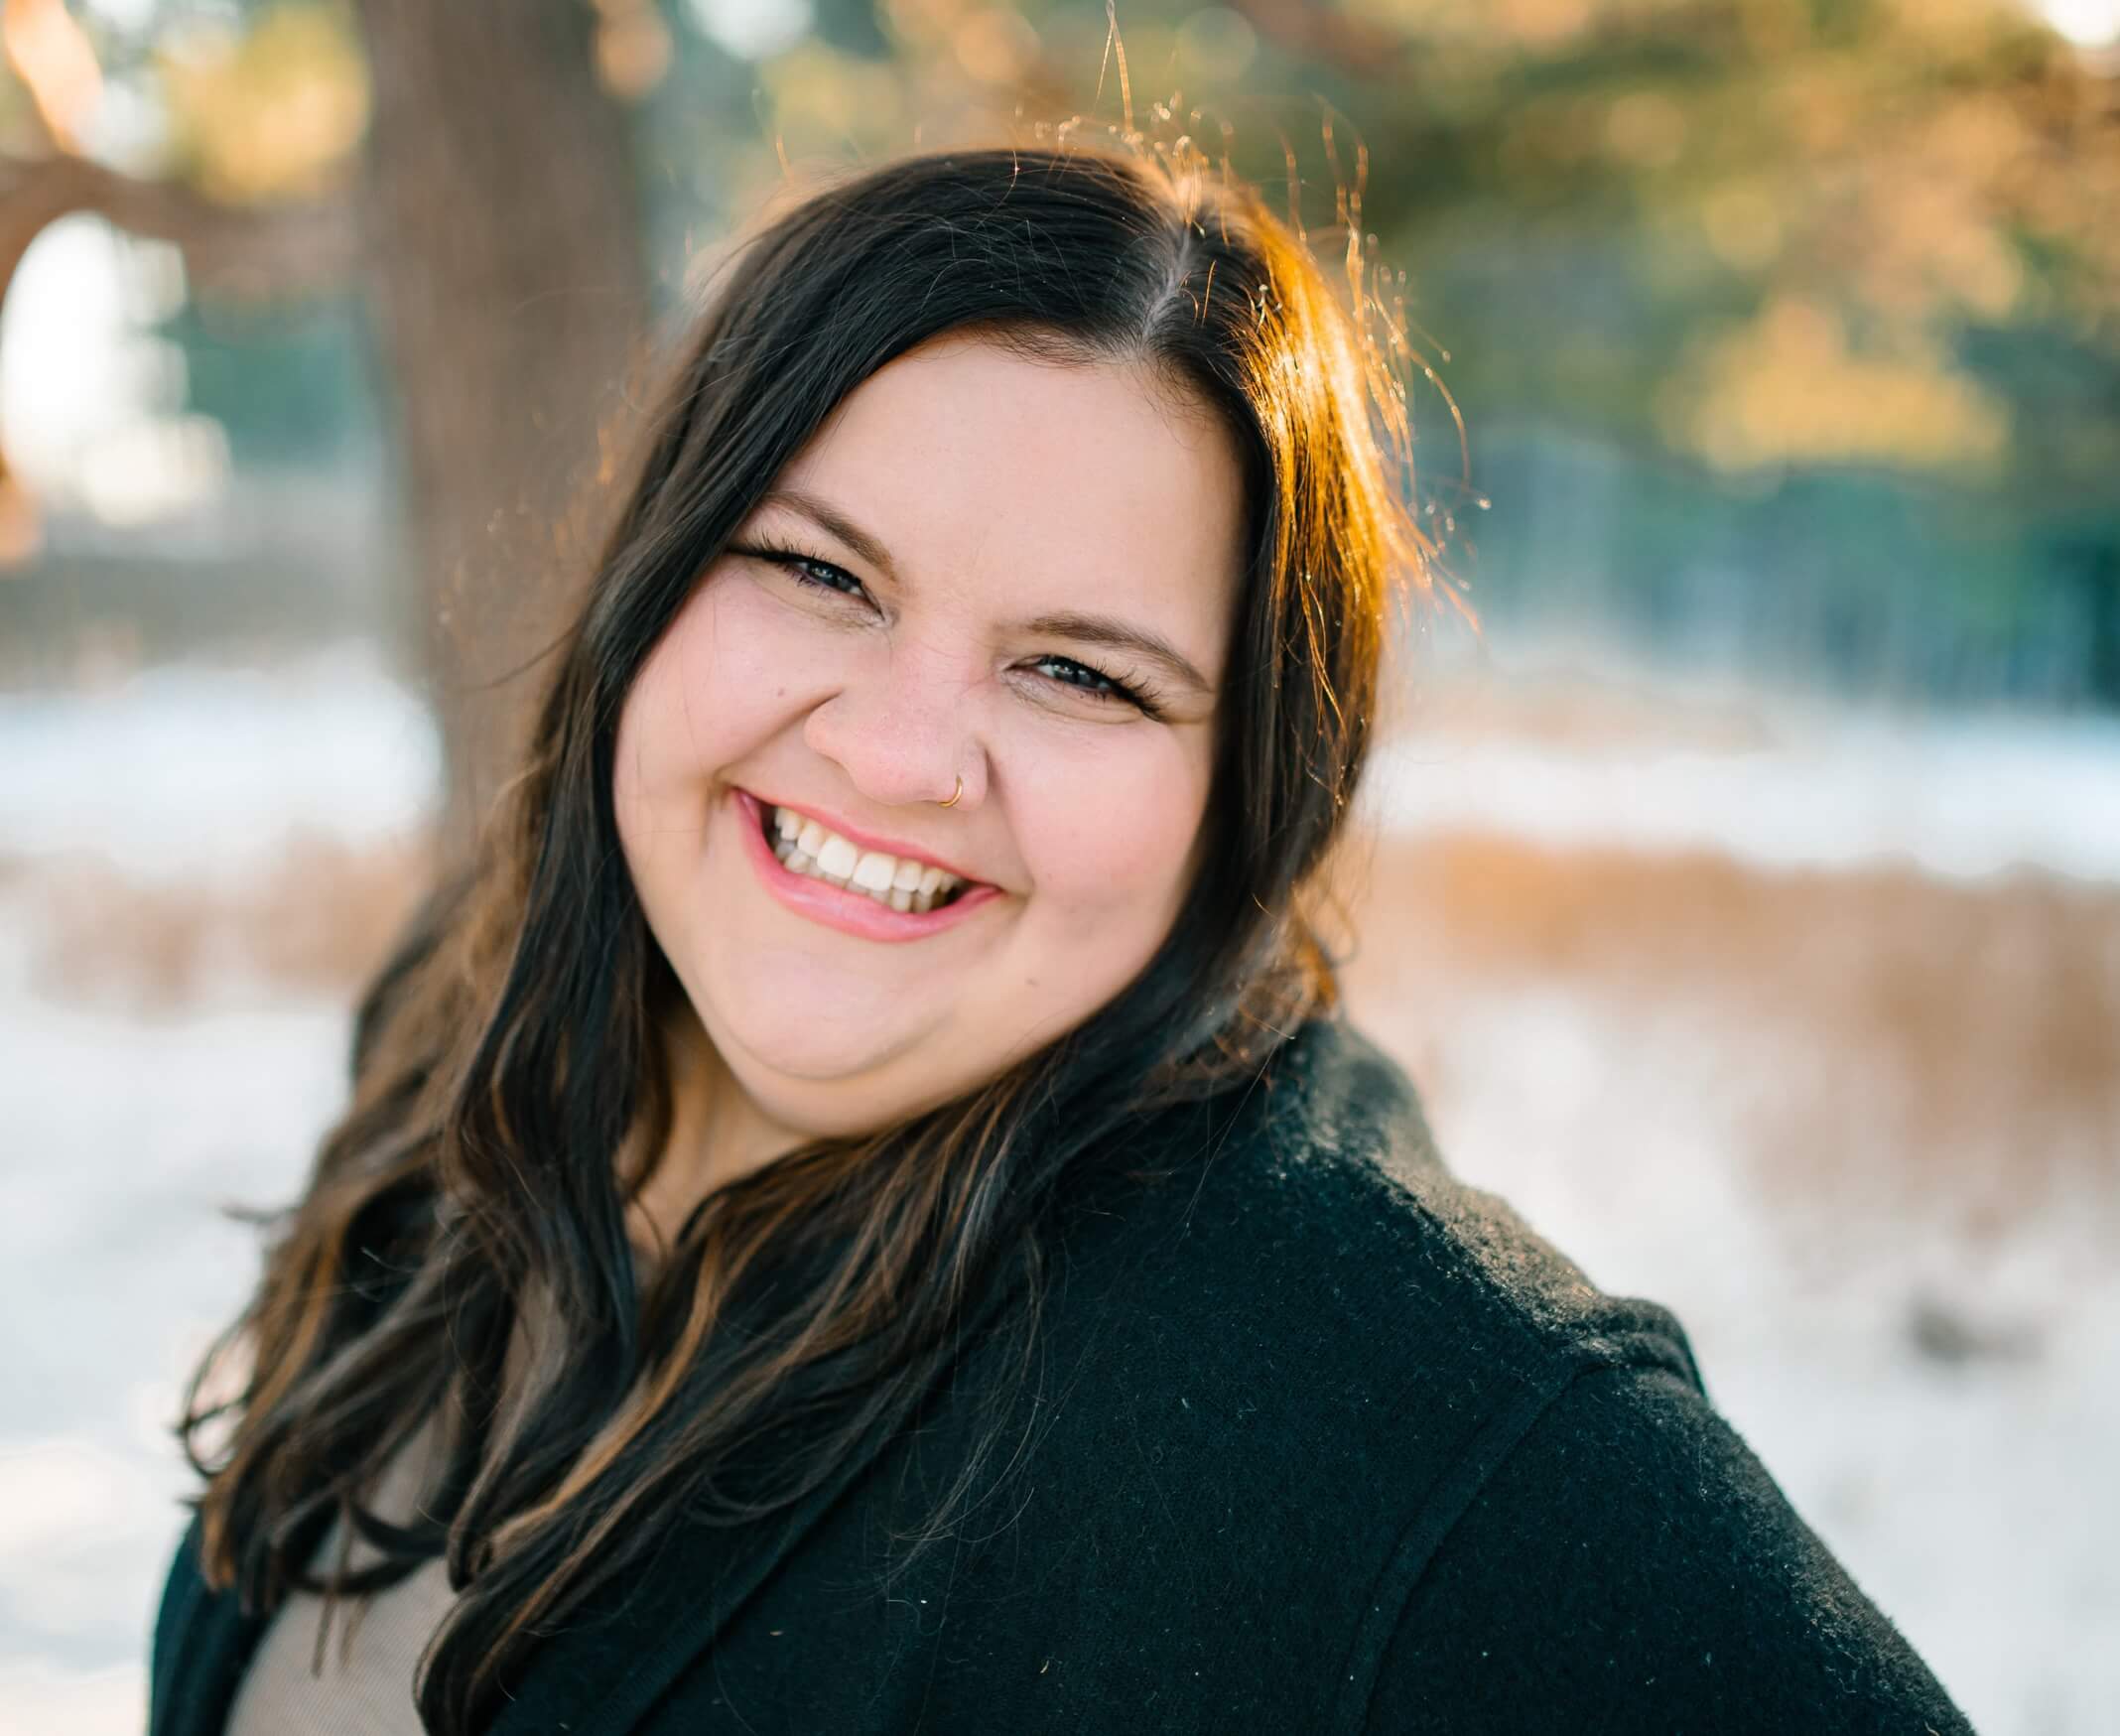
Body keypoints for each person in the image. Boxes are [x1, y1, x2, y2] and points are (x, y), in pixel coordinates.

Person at [147, 139, 1978, 1735]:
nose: (899, 753)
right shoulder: (474, 1032)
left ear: (1245, 793)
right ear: (654, 576)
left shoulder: (1383, 1403)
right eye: (817, 570)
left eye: (1081, 671)